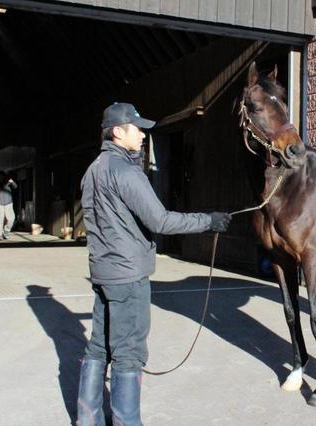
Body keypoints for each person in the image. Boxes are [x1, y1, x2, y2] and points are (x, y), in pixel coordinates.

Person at [77, 102, 232, 426]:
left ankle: (87, 419)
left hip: (104, 272)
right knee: (128, 351)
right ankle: (126, 421)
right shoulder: (125, 171)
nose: (143, 134)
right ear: (118, 132)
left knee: (98, 346)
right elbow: (160, 220)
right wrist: (209, 221)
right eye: (137, 128)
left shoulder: (94, 169)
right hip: (128, 275)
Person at [0, 170, 17, 240]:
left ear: (4, 176)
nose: (1, 178)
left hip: (8, 203)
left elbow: (15, 187)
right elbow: (1, 189)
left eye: (2, 176)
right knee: (0, 220)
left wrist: (12, 182)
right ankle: (0, 234)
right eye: (0, 176)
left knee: (11, 219)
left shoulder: (8, 181)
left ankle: (6, 231)